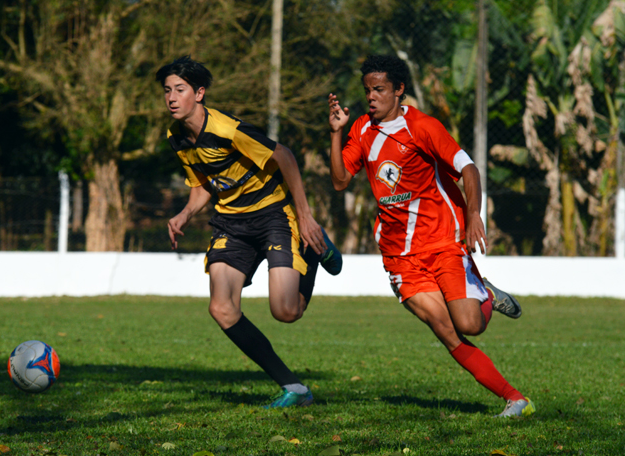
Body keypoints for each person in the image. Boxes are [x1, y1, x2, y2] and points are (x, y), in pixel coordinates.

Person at [327, 54, 534, 418]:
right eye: (367, 91)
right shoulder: (361, 129)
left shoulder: (423, 127)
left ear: (398, 90)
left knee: (470, 323)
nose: (371, 97)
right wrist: (336, 132)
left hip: (442, 242)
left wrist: (473, 215)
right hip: (399, 255)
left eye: (379, 90)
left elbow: (468, 168)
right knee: (445, 329)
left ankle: (483, 291)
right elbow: (341, 179)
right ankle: (516, 400)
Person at [157, 55, 342, 409]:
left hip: (273, 214)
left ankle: (313, 248)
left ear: (199, 93)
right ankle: (295, 389)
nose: (171, 98)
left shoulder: (228, 130)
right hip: (231, 223)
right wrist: (184, 213)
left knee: (286, 312)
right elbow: (204, 184)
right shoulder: (176, 136)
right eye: (167, 90)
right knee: (222, 308)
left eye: (179, 90)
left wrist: (304, 217)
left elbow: (284, 156)